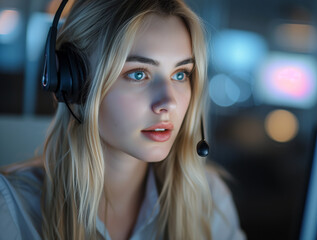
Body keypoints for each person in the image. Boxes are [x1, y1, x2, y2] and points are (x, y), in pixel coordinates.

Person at [0, 0, 245, 239]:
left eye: (180, 74)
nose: (168, 102)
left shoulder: (209, 200)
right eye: (138, 74)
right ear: (70, 82)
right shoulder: (11, 210)